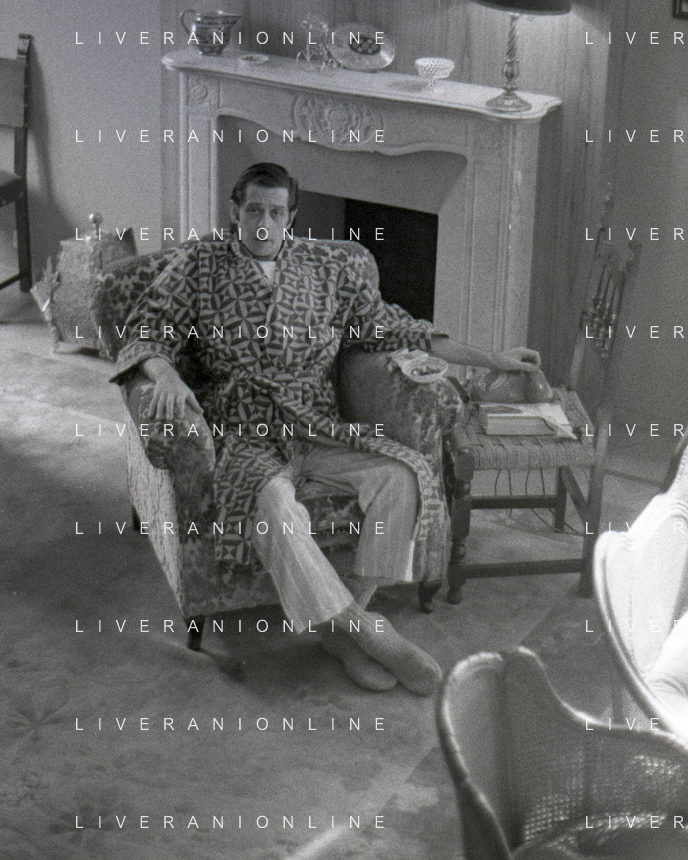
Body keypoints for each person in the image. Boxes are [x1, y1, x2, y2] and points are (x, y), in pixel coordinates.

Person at [115, 163, 540, 693]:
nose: (263, 224)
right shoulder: (200, 264)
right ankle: (364, 629)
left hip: (317, 426)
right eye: (253, 210)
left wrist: (497, 359)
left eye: (275, 212)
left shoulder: (327, 268)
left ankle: (341, 629)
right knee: (273, 508)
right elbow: (145, 330)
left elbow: (400, 330)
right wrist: (166, 375)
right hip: (244, 430)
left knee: (402, 478)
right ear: (235, 210)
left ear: (291, 216)